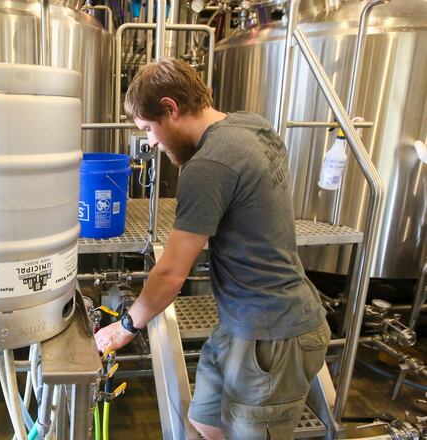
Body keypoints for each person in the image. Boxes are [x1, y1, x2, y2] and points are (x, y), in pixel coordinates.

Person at [93, 58, 330, 439]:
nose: (150, 142)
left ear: (170, 108)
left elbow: (171, 273)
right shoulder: (252, 125)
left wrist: (125, 326)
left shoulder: (208, 166)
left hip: (272, 335)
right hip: (238, 323)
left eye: (149, 129)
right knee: (204, 421)